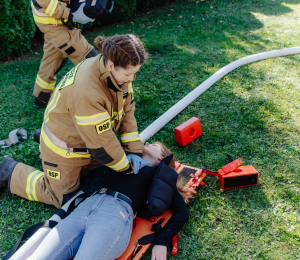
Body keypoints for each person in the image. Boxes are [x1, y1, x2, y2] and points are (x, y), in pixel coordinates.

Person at [0, 34, 149, 209]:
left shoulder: (117, 76)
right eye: (128, 74)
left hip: (84, 138)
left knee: (98, 176)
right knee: (64, 199)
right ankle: (9, 170)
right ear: (111, 65)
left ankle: (44, 142)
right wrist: (127, 167)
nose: (132, 79)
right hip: (65, 148)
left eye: (134, 73)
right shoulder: (88, 91)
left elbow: (127, 112)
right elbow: (102, 145)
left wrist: (134, 151)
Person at [26, 142, 192, 260]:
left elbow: (181, 213)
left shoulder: (161, 177)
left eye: (153, 145)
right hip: (85, 207)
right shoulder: (123, 160)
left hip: (115, 216)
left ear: (161, 158)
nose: (147, 142)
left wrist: (162, 241)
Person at [31, 0, 111, 107]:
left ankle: (42, 95)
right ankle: (109, 92)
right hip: (55, 24)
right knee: (86, 55)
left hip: (53, 22)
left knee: (53, 58)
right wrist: (70, 14)